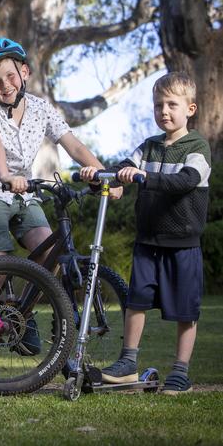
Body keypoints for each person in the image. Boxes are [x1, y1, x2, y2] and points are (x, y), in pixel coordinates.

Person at [0, 37, 122, 369]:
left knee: (51, 253)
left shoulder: (41, 108)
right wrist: (5, 174)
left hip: (24, 194)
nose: (4, 85)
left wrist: (105, 176)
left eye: (9, 76)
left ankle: (23, 310)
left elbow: (73, 144)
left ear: (24, 72)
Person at [80, 71, 211, 395]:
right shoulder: (148, 147)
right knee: (136, 303)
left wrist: (143, 177)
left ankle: (180, 371)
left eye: (171, 105)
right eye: (158, 105)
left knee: (185, 310)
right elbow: (122, 170)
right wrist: (97, 175)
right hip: (148, 242)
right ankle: (127, 363)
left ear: (189, 109)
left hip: (182, 244)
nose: (163, 111)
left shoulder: (197, 147)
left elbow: (186, 182)